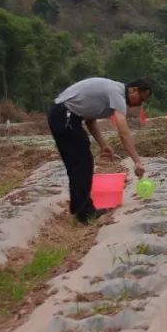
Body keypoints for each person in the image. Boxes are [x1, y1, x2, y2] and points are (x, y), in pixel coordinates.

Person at [48, 77, 150, 223]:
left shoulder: (113, 92)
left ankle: (79, 209)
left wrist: (103, 144)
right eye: (140, 99)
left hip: (62, 115)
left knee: (78, 163)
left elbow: (90, 120)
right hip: (66, 115)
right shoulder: (118, 93)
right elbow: (123, 132)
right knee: (82, 163)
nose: (139, 104)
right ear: (133, 90)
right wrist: (137, 162)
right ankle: (84, 212)